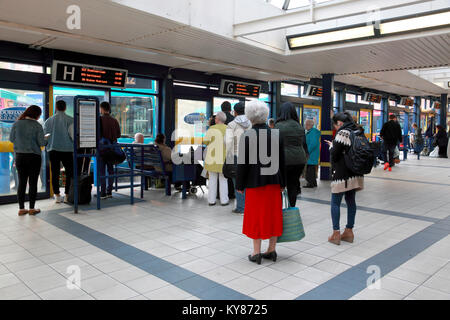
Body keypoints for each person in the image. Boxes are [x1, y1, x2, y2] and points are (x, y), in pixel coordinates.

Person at [236, 100, 286, 264]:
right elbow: (282, 161)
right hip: (274, 182)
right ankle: (271, 250)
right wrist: (283, 182)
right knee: (273, 214)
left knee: (255, 215)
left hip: (254, 183)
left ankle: (256, 252)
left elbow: (243, 164)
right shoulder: (276, 134)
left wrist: (240, 184)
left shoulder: (247, 136)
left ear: (250, 117)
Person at [324, 112, 364, 245]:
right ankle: (349, 231)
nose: (335, 128)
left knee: (335, 201)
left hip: (342, 174)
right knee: (350, 200)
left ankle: (336, 233)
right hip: (355, 172)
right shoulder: (358, 131)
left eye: (335, 126)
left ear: (339, 123)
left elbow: (335, 155)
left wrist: (331, 146)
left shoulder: (342, 133)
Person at [9, 105, 48, 216]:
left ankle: (21, 209)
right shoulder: (37, 126)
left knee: (21, 183)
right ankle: (31, 208)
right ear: (36, 115)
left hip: (20, 157)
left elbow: (12, 139)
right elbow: (41, 143)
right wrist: (46, 140)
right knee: (33, 183)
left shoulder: (16, 124)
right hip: (33, 157)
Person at [274, 102, 308, 207]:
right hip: (299, 160)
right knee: (293, 185)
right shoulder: (299, 126)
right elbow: (304, 145)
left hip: (283, 160)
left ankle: (279, 211)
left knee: (279, 186)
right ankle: (292, 208)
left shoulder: (278, 126)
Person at [44, 100, 74, 204]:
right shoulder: (70, 120)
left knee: (55, 172)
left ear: (56, 107)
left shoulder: (48, 121)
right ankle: (67, 195)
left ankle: (57, 196)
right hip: (67, 150)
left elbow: (45, 138)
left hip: (53, 150)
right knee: (70, 172)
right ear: (65, 108)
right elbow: (73, 136)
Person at [225, 102, 251, 214]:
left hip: (236, 156)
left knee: (238, 182)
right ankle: (250, 206)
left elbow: (228, 142)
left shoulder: (231, 124)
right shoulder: (251, 123)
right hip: (250, 156)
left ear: (234, 112)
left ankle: (241, 207)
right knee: (249, 182)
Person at [204, 111, 229, 206]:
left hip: (212, 159)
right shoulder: (228, 129)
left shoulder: (211, 129)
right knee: (223, 180)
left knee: (212, 180)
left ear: (217, 119)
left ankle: (211, 201)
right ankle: (224, 201)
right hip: (223, 159)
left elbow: (205, 142)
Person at [98, 101, 121, 199]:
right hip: (112, 150)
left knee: (102, 171)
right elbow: (118, 135)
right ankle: (109, 192)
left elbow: (98, 134)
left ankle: (102, 193)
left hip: (102, 149)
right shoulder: (114, 120)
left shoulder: (99, 119)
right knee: (111, 170)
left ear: (102, 109)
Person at [304, 119, 321, 188]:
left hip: (311, 154)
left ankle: (310, 183)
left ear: (310, 125)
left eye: (306, 124)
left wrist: (307, 151)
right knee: (312, 168)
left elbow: (313, 143)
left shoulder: (313, 132)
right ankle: (313, 183)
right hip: (312, 153)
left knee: (310, 169)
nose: (305, 126)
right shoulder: (311, 132)